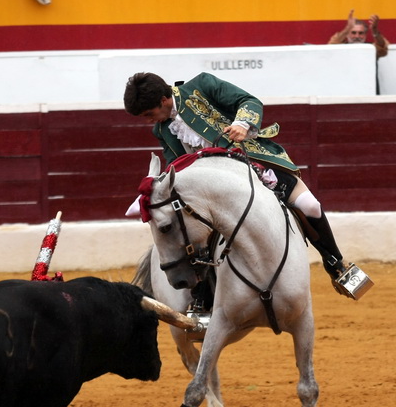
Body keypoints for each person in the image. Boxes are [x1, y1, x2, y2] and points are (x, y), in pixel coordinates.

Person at [123, 71, 362, 298]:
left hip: (252, 161)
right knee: (192, 234)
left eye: (148, 114)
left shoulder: (201, 86)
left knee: (310, 205)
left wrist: (242, 123)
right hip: (211, 189)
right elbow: (174, 163)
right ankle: (201, 298)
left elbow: (247, 101)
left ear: (164, 99)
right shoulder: (163, 129)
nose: (150, 121)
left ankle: (338, 267)